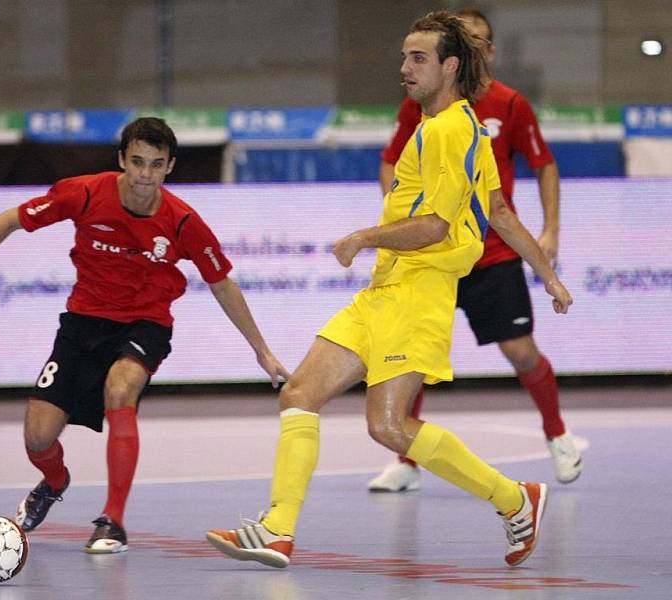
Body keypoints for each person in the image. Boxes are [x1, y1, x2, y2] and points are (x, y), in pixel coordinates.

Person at [205, 11, 572, 569]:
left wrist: (364, 235)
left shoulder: (450, 129)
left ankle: (513, 498)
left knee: (389, 426)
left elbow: (435, 226)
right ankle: (277, 529)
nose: (404, 67)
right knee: (300, 394)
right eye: (404, 56)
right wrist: (545, 272)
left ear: (449, 66)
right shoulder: (455, 121)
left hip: (419, 292)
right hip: (387, 288)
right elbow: (496, 209)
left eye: (417, 58)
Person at [0, 117, 290, 554]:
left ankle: (112, 521)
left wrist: (262, 353)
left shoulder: (183, 221)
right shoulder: (85, 193)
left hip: (145, 324)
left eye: (155, 165)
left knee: (121, 389)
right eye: (136, 163)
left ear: (170, 166)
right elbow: (9, 221)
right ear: (121, 160)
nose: (144, 175)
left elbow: (222, 283)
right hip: (83, 324)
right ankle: (55, 481)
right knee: (37, 438)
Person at [368, 8, 581, 494]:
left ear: (488, 51)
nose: (477, 50)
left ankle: (556, 433)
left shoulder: (506, 105)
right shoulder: (420, 106)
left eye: (483, 42)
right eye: (469, 42)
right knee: (409, 361)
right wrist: (404, 224)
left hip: (490, 257)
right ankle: (407, 461)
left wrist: (549, 241)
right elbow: (391, 165)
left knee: (521, 352)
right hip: (432, 260)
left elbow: (521, 187)